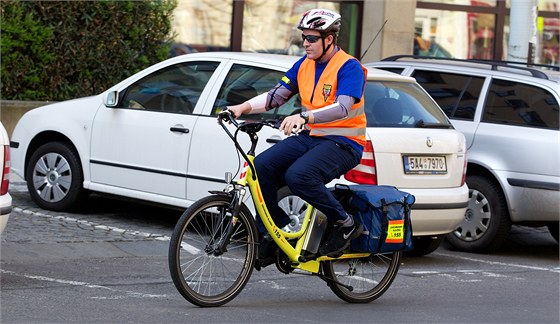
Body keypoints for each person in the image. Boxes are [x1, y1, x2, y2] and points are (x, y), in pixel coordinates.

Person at [227, 8, 367, 268]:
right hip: (312, 136)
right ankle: (274, 232)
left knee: (299, 176)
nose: (305, 43)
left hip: (344, 143)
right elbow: (275, 96)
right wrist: (242, 107)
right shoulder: (303, 64)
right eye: (304, 37)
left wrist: (305, 117)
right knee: (261, 168)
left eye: (312, 38)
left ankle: (346, 223)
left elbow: (344, 106)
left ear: (330, 39)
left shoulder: (349, 67)